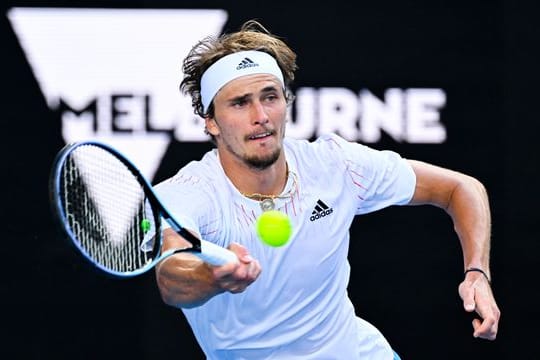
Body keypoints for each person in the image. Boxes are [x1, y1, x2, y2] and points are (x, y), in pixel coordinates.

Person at [150, 20, 500, 359]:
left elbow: (460, 188)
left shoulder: (335, 165)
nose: (261, 116)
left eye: (270, 97)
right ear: (210, 121)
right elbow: (172, 276)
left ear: (285, 104)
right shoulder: (188, 193)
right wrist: (213, 276)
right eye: (240, 103)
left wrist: (477, 274)